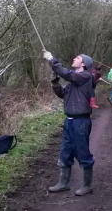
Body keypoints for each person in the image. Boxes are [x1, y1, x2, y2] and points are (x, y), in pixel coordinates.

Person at [43, 51, 95, 196]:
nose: (74, 58)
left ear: (83, 64)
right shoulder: (74, 81)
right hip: (69, 122)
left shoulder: (85, 76)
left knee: (83, 153)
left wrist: (53, 60)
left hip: (81, 122)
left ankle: (87, 186)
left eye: (77, 58)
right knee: (65, 152)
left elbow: (67, 74)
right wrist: (55, 83)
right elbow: (62, 94)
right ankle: (63, 183)